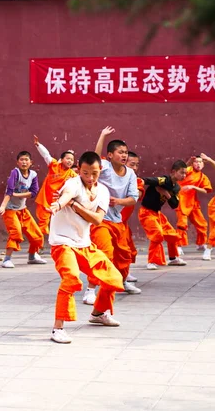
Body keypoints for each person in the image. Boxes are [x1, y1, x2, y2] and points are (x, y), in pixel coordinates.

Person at [48, 151, 124, 344]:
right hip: (63, 242)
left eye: (95, 173)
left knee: (113, 277)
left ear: (101, 171)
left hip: (84, 244)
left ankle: (98, 313)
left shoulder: (104, 192)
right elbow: (65, 196)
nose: (90, 178)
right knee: (71, 278)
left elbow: (98, 220)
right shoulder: (73, 183)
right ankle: (58, 328)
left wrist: (75, 206)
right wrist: (58, 204)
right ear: (78, 170)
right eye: (85, 173)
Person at [84, 130, 141, 304]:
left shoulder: (130, 174)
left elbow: (133, 198)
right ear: (110, 155)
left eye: (125, 152)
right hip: (100, 219)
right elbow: (93, 157)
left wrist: (118, 201)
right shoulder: (105, 168)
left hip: (117, 220)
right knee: (104, 252)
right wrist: (102, 136)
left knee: (124, 255)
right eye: (120, 152)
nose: (124, 155)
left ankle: (121, 281)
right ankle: (90, 290)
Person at [0, 151, 46, 268]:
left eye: (26, 160)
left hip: (22, 209)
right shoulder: (15, 173)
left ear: (31, 162)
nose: (24, 162)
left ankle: (32, 256)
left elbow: (33, 192)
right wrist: (3, 206)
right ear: (17, 162)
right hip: (10, 210)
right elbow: (9, 191)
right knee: (16, 233)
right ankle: (6, 260)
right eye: (22, 160)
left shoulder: (33, 175)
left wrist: (17, 195)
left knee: (37, 235)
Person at [138, 160, 188, 270]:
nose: (184, 176)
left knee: (172, 235)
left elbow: (175, 205)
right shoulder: (163, 180)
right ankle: (152, 261)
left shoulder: (176, 188)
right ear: (173, 172)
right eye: (182, 173)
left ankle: (173, 258)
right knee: (157, 235)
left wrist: (166, 194)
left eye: (185, 173)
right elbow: (147, 180)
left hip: (158, 214)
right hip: (146, 212)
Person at [33, 135, 76, 236]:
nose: (70, 161)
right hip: (45, 200)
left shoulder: (72, 174)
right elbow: (46, 155)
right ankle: (37, 247)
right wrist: (38, 145)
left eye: (72, 160)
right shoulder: (54, 165)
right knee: (43, 224)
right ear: (62, 159)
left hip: (59, 203)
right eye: (68, 158)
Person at [176, 155, 213, 256]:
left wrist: (193, 187)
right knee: (182, 224)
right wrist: (189, 161)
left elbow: (206, 190)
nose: (198, 164)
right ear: (193, 164)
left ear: (203, 164)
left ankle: (201, 243)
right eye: (196, 162)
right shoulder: (188, 170)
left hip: (193, 202)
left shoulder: (202, 177)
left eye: (200, 162)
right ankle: (178, 245)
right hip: (181, 200)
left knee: (202, 224)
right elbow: (182, 170)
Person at [121, 151, 145, 283]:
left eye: (137, 165)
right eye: (132, 164)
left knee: (128, 250)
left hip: (122, 223)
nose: (135, 168)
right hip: (107, 220)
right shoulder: (112, 177)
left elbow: (138, 195)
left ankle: (125, 273)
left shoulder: (137, 181)